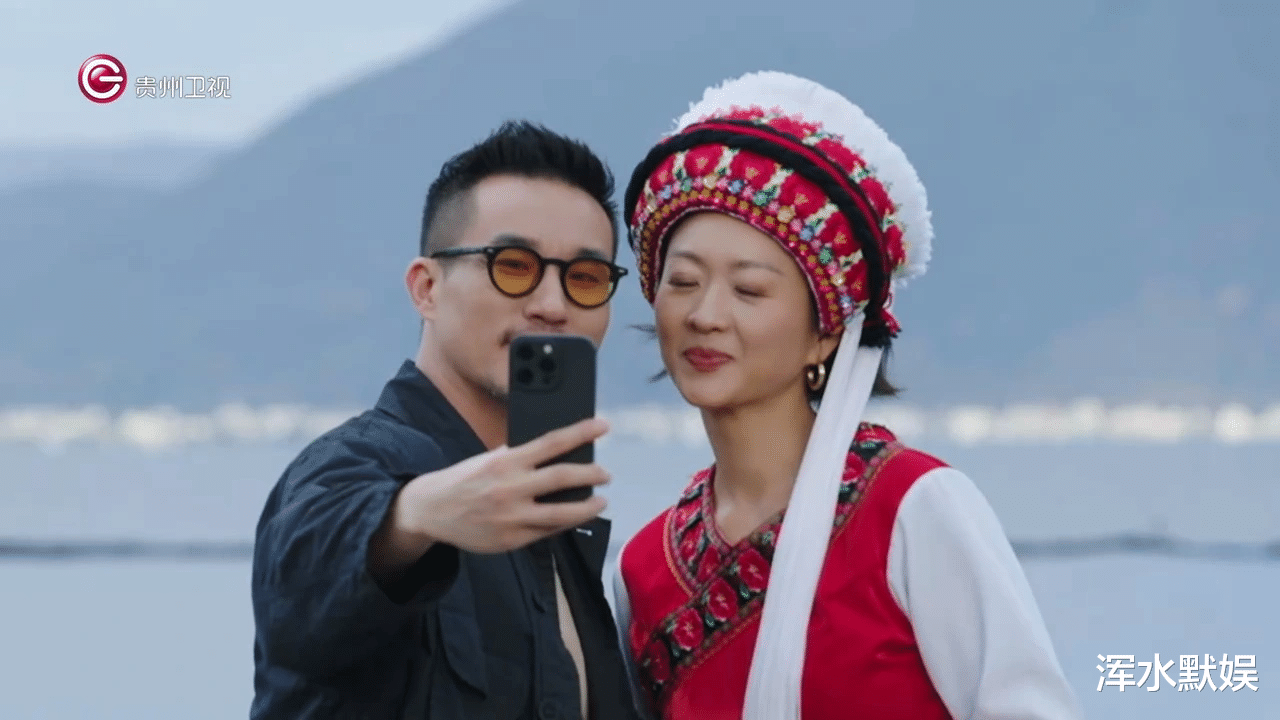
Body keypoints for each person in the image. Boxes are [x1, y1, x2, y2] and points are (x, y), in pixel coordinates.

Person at [610, 72, 1085, 720]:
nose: (706, 315)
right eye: (683, 281)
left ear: (827, 332)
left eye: (749, 290)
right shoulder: (644, 568)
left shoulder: (912, 509)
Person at [251, 120, 643, 720]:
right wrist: (414, 517)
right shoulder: (354, 466)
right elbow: (305, 581)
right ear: (426, 288)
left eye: (585, 278)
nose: (553, 304)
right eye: (514, 266)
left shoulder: (559, 527)